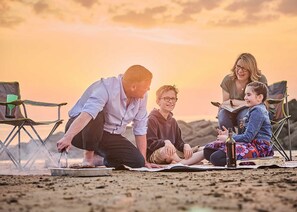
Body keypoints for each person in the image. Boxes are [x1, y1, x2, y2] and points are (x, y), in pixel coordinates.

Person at [56, 65, 159, 169]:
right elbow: (87, 114)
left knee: (138, 162)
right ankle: (88, 158)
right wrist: (67, 137)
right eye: (146, 86)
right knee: (97, 113)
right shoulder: (105, 88)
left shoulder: (142, 97)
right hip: (80, 131)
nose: (148, 89)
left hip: (108, 136)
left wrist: (144, 161)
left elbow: (140, 128)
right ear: (133, 87)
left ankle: (100, 159)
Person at [204, 81, 274, 166]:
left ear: (259, 97)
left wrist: (228, 138)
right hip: (248, 144)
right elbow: (245, 136)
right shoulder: (252, 110)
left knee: (216, 158)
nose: (245, 98)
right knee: (207, 151)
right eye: (245, 94)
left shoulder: (258, 111)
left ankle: (239, 161)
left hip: (259, 148)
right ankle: (234, 158)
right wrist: (229, 135)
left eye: (248, 95)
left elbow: (247, 137)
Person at [146, 85, 204, 165]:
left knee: (203, 149)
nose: (170, 101)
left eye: (173, 98)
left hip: (173, 152)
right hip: (156, 154)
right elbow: (150, 143)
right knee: (167, 151)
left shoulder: (173, 121)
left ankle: (180, 161)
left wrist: (185, 145)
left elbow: (178, 143)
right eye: (166, 98)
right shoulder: (152, 119)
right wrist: (165, 142)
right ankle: (183, 163)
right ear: (158, 101)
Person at [218, 53, 268, 132]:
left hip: (254, 111)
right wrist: (242, 103)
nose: (240, 71)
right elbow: (226, 104)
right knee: (222, 115)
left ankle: (243, 142)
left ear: (251, 69)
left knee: (244, 116)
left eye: (244, 68)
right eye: (238, 66)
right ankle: (230, 140)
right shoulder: (228, 80)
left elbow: (260, 103)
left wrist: (234, 102)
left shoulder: (260, 79)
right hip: (233, 113)